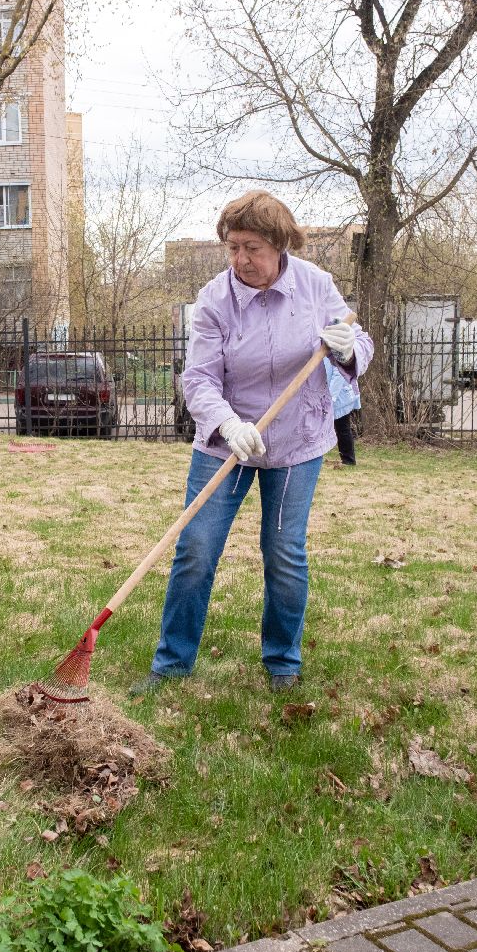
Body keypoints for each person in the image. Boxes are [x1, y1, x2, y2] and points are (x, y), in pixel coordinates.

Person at [136, 191, 373, 694]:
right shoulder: (214, 299)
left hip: (295, 441)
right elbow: (198, 378)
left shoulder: (315, 286)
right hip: (227, 441)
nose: (241, 260)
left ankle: (282, 661)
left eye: (253, 248)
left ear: (281, 244)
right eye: (233, 247)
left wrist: (349, 351)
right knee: (196, 547)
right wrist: (227, 425)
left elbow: (356, 341)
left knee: (283, 551)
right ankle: (173, 662)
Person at [325, 358, 361, 466]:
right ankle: (346, 458)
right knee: (341, 428)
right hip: (336, 395)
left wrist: (331, 398)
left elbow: (339, 375)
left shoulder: (336, 352)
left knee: (343, 427)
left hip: (341, 396)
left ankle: (349, 460)